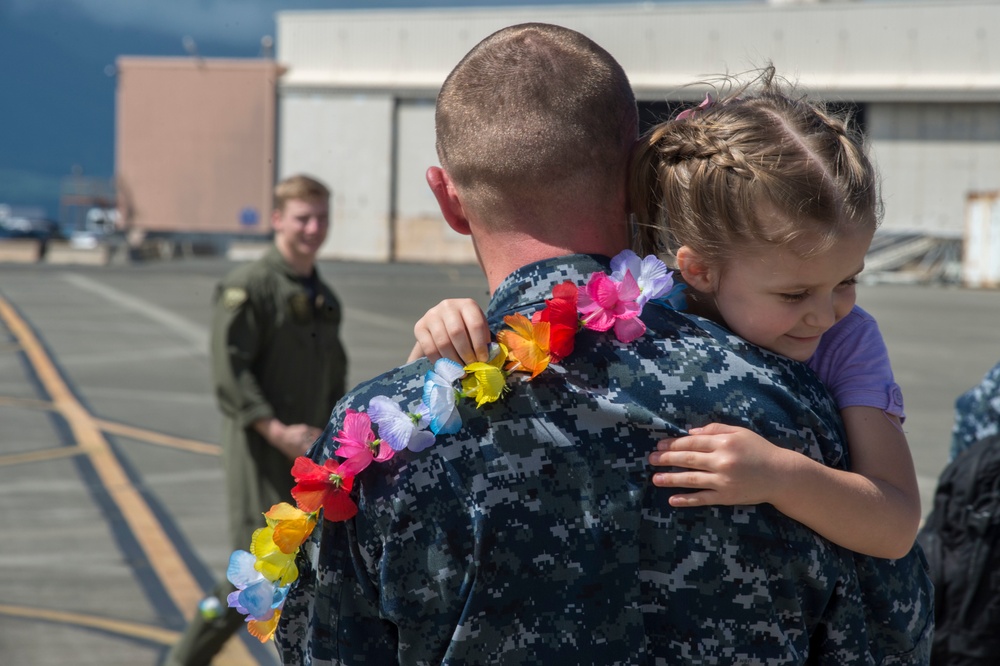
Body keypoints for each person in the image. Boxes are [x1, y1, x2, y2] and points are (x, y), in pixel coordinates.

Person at [277, 24, 930, 664]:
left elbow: (324, 643)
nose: (823, 310)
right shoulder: (788, 397)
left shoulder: (387, 436)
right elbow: (893, 626)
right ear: (634, 172)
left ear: (449, 202)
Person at [413, 71, 920, 561]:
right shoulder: (636, 300)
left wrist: (781, 475)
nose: (826, 313)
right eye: (794, 294)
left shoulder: (849, 342)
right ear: (698, 270)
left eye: (847, 281)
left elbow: (896, 522)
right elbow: (456, 379)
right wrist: (450, 331)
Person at [165, 174, 348, 666]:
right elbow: (231, 371)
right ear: (277, 220)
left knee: (304, 567)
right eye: (303, 217)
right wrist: (275, 430)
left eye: (322, 217)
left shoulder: (324, 298)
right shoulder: (250, 286)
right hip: (261, 449)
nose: (313, 228)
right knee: (251, 565)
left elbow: (334, 377)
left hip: (308, 458)